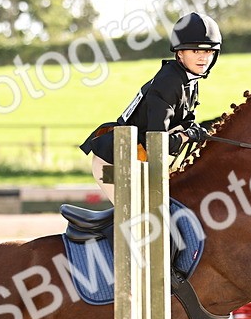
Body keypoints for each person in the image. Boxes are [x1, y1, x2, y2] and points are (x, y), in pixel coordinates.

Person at [79, 11, 221, 202]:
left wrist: (199, 130)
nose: (203, 58)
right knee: (140, 216)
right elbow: (156, 142)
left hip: (138, 158)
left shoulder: (189, 79)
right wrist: (186, 136)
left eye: (208, 51)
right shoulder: (169, 82)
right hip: (114, 161)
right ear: (180, 53)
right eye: (196, 51)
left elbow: (185, 123)